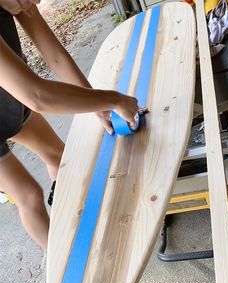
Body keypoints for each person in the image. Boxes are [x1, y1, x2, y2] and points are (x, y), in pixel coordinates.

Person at [0, 0, 141, 251]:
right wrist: (114, 99)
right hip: (18, 92)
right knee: (29, 195)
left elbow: (54, 55)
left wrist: (98, 105)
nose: (37, 2)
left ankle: (77, 230)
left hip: (7, 98)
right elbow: (37, 96)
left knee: (60, 158)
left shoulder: (20, 1)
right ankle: (66, 272)